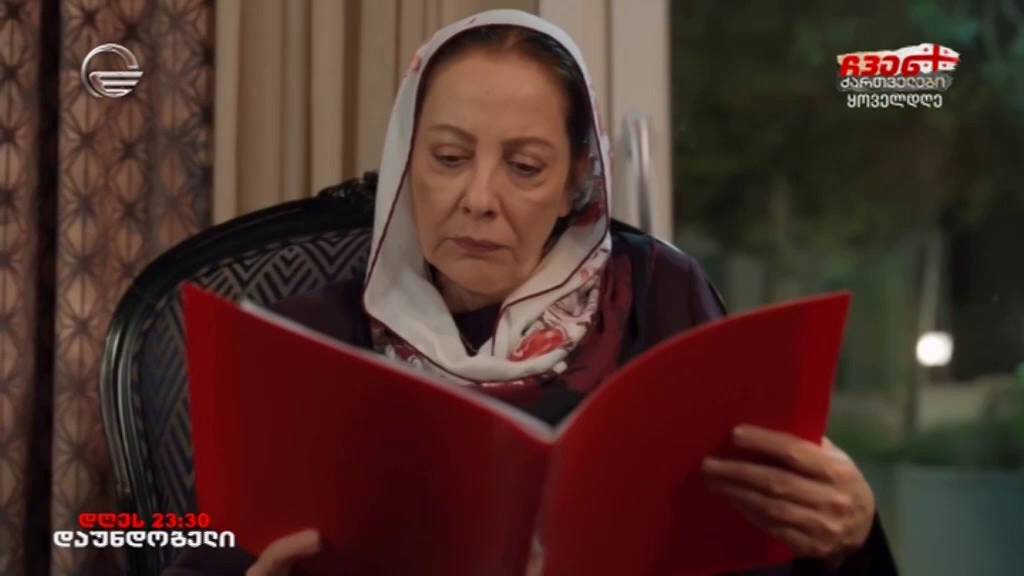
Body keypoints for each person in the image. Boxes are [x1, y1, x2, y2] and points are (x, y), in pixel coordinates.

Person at [167, 10, 897, 576]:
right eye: (448, 157)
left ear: (579, 177)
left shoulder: (659, 297)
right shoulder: (307, 339)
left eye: (524, 167)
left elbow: (753, 540)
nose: (478, 198)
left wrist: (852, 534)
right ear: (406, 155)